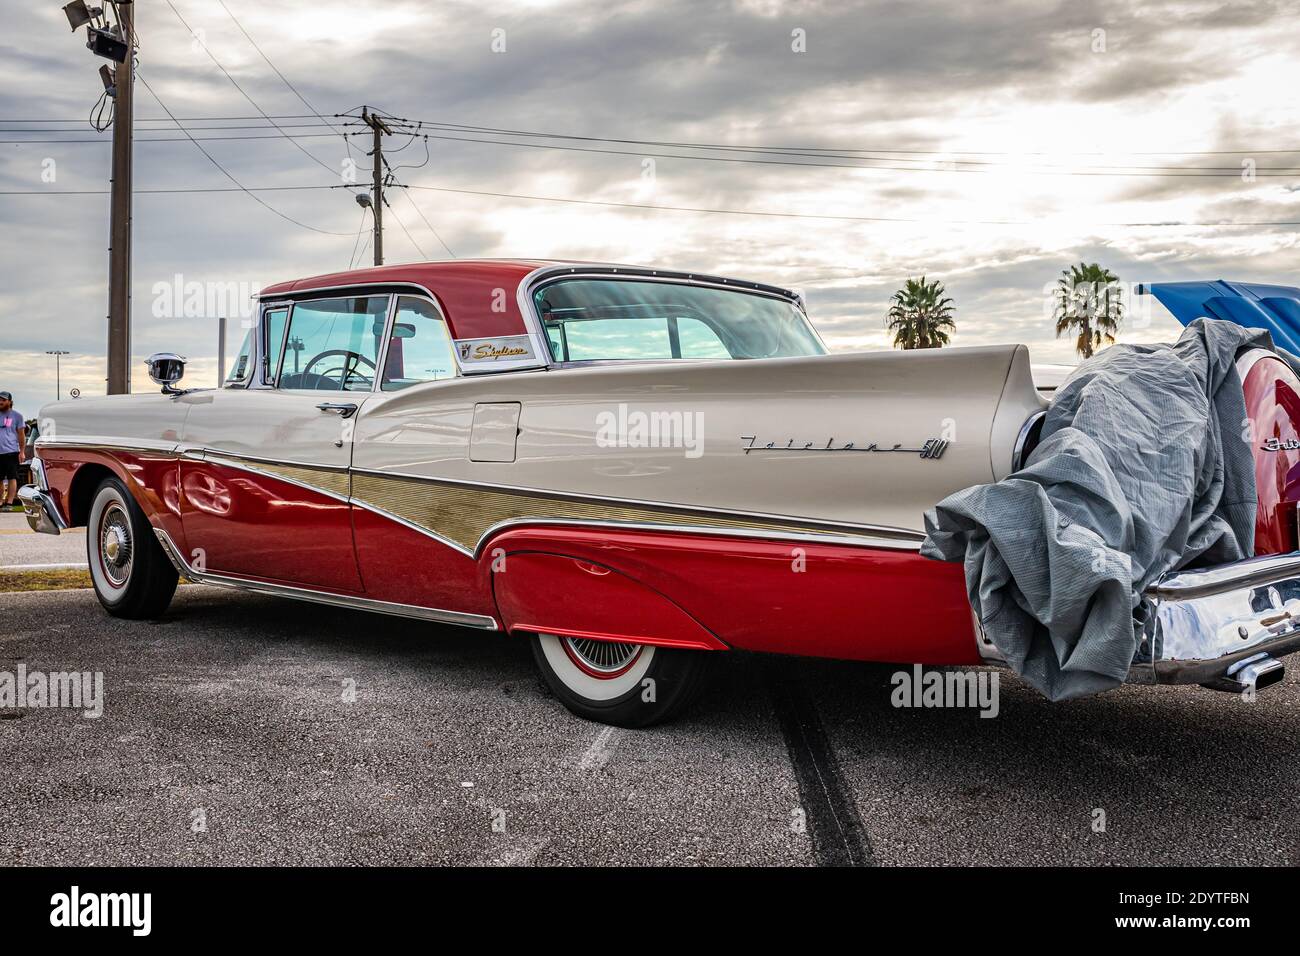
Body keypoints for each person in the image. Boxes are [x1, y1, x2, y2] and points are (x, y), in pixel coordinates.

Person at [0, 391, 26, 512]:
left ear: (10, 402)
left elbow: (21, 435)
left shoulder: (17, 416)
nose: (1, 402)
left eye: (3, 400)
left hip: (11, 452)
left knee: (12, 477)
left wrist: (22, 451)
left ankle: (9, 503)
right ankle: (0, 501)